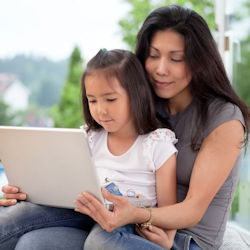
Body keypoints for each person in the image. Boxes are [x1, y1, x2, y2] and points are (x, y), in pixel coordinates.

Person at [1, 4, 249, 250]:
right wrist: (32, 192)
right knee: (33, 242)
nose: (161, 69)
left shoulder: (224, 119)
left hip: (181, 240)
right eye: (153, 55)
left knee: (101, 242)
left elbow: (193, 209)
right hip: (116, 219)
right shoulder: (141, 102)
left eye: (176, 58)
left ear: (199, 61)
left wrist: (142, 217)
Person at [0, 49, 178, 250]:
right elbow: (63, 184)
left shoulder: (156, 143)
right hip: (82, 215)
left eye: (110, 99)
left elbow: (169, 209)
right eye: (92, 100)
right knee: (27, 236)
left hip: (128, 224)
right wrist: (26, 192)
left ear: (136, 94)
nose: (101, 110)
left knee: (101, 241)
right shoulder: (89, 138)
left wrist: (168, 238)